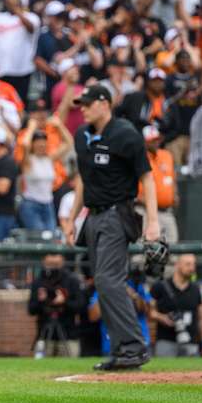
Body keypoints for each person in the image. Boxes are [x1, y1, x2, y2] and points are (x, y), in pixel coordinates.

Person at [63, 84, 160, 370]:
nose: (82, 109)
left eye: (88, 103)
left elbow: (148, 178)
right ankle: (122, 351)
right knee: (103, 283)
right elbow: (83, 180)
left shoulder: (126, 134)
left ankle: (133, 346)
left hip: (118, 213)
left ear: (104, 103)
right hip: (93, 216)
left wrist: (153, 221)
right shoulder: (82, 136)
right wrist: (71, 219)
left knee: (108, 279)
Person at [28, 253, 87, 358]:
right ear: (44, 261)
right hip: (44, 335)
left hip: (68, 335)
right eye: (50, 263)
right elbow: (31, 310)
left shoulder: (72, 280)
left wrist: (64, 301)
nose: (53, 267)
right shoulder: (38, 282)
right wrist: (42, 300)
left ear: (62, 261)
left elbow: (81, 307)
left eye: (56, 264)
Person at [150, 254, 202, 357]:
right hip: (166, 340)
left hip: (190, 341)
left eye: (193, 264)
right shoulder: (160, 286)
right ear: (177, 265)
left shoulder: (196, 289)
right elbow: (149, 312)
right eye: (188, 264)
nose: (192, 268)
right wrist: (163, 318)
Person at [89, 270, 152, 358]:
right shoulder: (103, 289)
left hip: (139, 340)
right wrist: (108, 293)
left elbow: (147, 311)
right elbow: (93, 316)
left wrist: (133, 295)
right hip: (111, 343)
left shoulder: (135, 284)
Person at [136, 126, 178, 243]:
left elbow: (172, 177)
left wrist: (174, 193)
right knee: (143, 252)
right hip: (145, 212)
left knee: (171, 250)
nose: (156, 143)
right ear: (144, 142)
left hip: (167, 212)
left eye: (157, 139)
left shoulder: (166, 155)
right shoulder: (139, 157)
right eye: (152, 141)